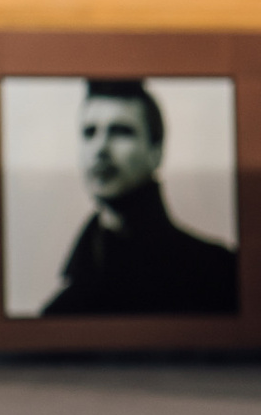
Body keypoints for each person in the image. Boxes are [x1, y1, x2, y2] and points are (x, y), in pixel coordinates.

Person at [41, 77, 239, 317]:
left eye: (121, 131)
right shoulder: (61, 312)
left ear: (156, 151)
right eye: (89, 132)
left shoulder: (221, 274)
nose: (100, 148)